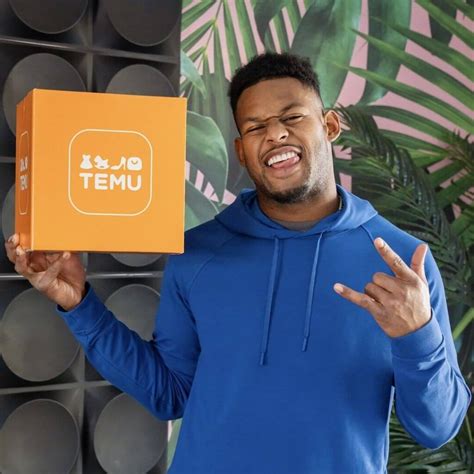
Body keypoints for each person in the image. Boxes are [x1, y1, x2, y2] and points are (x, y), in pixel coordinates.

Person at [5, 53, 470, 474]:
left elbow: (436, 428)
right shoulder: (198, 253)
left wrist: (417, 334)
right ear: (241, 151)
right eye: (256, 126)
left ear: (329, 126)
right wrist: (80, 304)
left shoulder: (402, 263)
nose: (275, 134)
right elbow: (169, 393)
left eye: (292, 116)